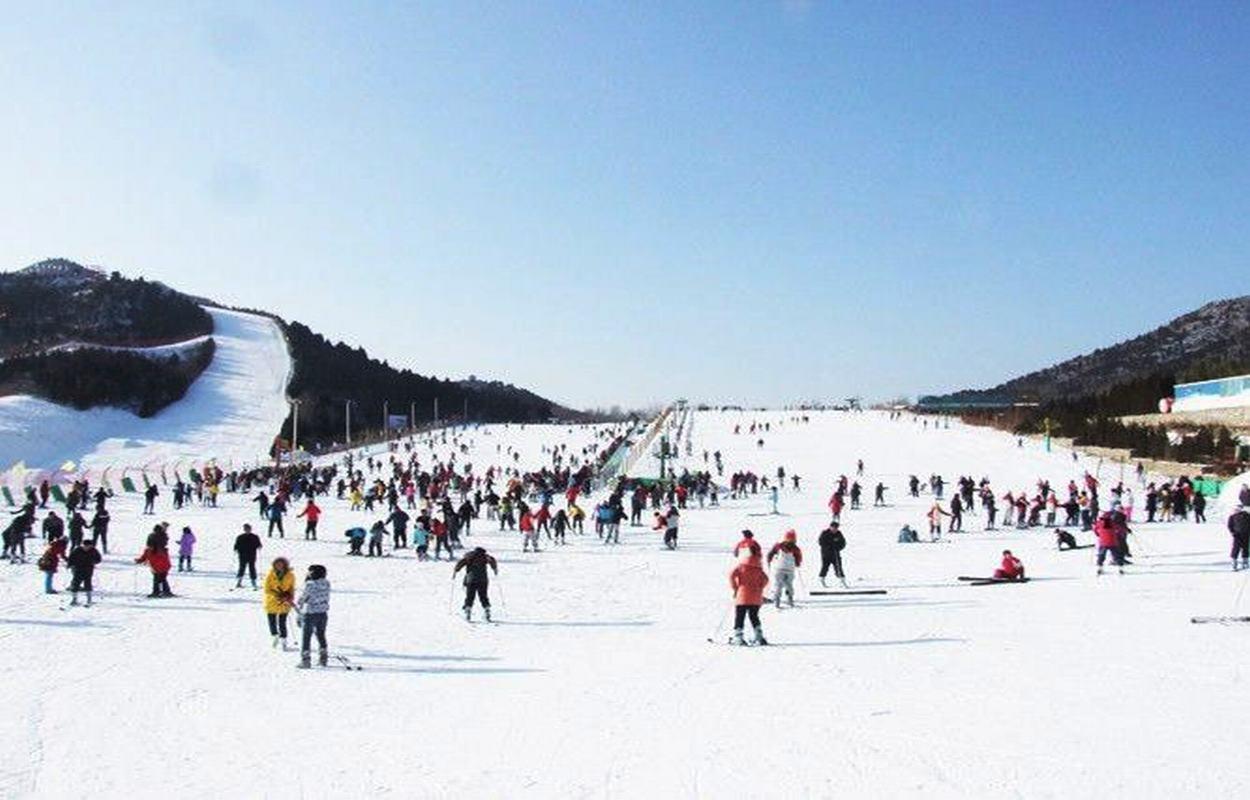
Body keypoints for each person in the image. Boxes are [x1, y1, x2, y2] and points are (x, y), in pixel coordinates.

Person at [729, 551, 770, 646]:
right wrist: (760, 587)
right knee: (754, 616)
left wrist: (735, 588)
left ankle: (738, 637)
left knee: (740, 616)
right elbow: (766, 579)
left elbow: (731, 575)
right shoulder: (759, 569)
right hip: (756, 597)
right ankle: (759, 636)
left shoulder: (741, 567)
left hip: (742, 596)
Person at [295, 564, 331, 669]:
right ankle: (323, 657)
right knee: (321, 634)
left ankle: (305, 660)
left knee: (306, 637)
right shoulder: (327, 583)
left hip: (310, 613)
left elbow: (303, 599)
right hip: (323, 613)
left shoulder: (310, 584)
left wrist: (300, 601)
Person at [454, 546, 499, 621]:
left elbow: (460, 563)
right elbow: (492, 561)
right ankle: (487, 610)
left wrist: (456, 571)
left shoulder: (469, 556)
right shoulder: (485, 557)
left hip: (471, 580)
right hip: (483, 580)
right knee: (483, 596)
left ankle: (468, 611)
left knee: (470, 596)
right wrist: (494, 569)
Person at [264, 557, 296, 649]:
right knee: (272, 622)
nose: (279, 566)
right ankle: (275, 636)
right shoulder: (270, 575)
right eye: (277, 564)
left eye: (281, 564)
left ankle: (284, 639)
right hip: (272, 601)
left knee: (282, 622)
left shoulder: (290, 575)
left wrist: (290, 597)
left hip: (285, 601)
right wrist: (277, 595)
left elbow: (292, 588)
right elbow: (267, 589)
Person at [766, 530, 803, 608]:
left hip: (780, 569)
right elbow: (799, 558)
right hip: (788, 569)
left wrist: (769, 560)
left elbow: (771, 553)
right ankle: (788, 599)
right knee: (788, 585)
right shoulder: (795, 548)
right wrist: (798, 563)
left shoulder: (779, 546)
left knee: (779, 585)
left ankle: (779, 600)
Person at [66, 538, 101, 606]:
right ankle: (74, 599)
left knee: (88, 583)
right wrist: (69, 565)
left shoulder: (93, 550)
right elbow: (71, 558)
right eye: (85, 546)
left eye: (88, 546)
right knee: (75, 583)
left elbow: (99, 559)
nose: (86, 548)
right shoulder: (77, 550)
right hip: (78, 569)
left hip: (88, 569)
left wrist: (94, 562)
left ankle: (89, 599)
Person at [818, 522, 847, 587]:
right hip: (826, 554)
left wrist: (839, 547)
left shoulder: (839, 533)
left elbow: (843, 542)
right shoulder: (825, 533)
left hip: (836, 554)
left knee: (838, 567)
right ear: (830, 527)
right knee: (825, 567)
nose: (835, 529)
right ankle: (822, 579)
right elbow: (821, 542)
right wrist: (830, 546)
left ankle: (842, 581)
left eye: (836, 528)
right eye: (833, 528)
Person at [235, 523, 263, 589]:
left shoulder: (255, 536)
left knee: (252, 568)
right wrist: (236, 549)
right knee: (242, 568)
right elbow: (236, 546)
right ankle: (239, 582)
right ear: (244, 530)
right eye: (246, 529)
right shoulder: (240, 537)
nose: (247, 530)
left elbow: (259, 544)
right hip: (243, 555)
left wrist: (259, 546)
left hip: (251, 555)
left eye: (249, 529)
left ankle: (253, 582)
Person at [1228, 505, 1250, 571]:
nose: (1235, 511)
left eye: (1237, 509)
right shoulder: (1232, 517)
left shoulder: (1247, 516)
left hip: (1246, 534)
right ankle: (1234, 563)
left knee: (1245, 548)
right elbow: (1230, 525)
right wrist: (1232, 532)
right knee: (1236, 548)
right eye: (1235, 509)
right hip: (1237, 535)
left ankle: (1245, 562)